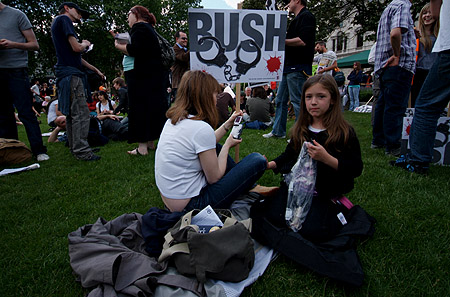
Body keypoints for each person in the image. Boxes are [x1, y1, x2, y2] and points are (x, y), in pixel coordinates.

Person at [155, 70, 268, 212]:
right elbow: (214, 178)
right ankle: (247, 185)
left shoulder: (174, 121)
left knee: (216, 146)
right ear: (205, 96)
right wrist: (228, 145)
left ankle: (246, 185)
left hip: (171, 200)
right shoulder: (200, 128)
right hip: (193, 205)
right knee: (257, 160)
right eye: (215, 94)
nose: (217, 99)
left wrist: (227, 124)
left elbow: (206, 143)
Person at [266, 74, 363, 239]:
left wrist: (326, 158)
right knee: (273, 216)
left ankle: (337, 208)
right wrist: (270, 164)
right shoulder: (301, 129)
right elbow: (290, 154)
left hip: (325, 193)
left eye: (321, 96)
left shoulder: (343, 133)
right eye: (309, 97)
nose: (314, 102)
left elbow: (355, 167)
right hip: (299, 189)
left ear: (332, 99)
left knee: (313, 231)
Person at [391, 0, 449, 174]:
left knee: (426, 107)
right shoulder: (420, 39)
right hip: (422, 72)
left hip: (446, 52)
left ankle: (418, 160)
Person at [51, 2, 104, 161]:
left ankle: (77, 148)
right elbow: (76, 48)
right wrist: (85, 44)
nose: (80, 16)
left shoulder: (57, 23)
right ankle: (82, 151)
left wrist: (94, 69)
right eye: (79, 12)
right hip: (71, 76)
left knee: (73, 115)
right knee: (81, 113)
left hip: (65, 74)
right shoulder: (64, 20)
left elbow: (75, 57)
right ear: (67, 8)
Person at [114, 5, 168, 155]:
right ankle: (150, 142)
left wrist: (118, 45)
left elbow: (135, 50)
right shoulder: (148, 29)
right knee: (150, 108)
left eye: (129, 14)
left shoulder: (139, 28)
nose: (128, 18)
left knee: (139, 108)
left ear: (136, 14)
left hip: (140, 76)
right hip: (151, 76)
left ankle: (142, 147)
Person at [0, 2, 49, 161]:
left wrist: (11, 44)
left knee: (26, 111)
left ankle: (39, 150)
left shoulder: (17, 15)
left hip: (17, 70)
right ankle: (12, 151)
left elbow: (34, 45)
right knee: (4, 115)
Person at [263, 0, 316, 138]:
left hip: (298, 67)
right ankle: (278, 131)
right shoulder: (297, 19)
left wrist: (280, 41)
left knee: (297, 101)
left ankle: (302, 135)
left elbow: (302, 40)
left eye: (290, 1)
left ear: (298, 1)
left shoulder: (307, 17)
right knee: (280, 100)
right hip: (288, 67)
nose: (287, 4)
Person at [371, 0, 416, 157]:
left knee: (383, 104)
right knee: (395, 107)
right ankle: (393, 145)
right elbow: (395, 33)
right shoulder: (403, 6)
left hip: (383, 65)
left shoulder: (389, 8)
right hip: (399, 64)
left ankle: (378, 140)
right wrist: (397, 54)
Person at [410, 3, 440, 107]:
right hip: (418, 74)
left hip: (435, 74)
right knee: (416, 104)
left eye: (430, 12)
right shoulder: (414, 34)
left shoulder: (439, 35)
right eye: (424, 13)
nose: (427, 15)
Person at [170, 31, 190, 102]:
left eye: (186, 39)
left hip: (184, 82)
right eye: (183, 38)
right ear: (177, 39)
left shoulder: (184, 50)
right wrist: (194, 49)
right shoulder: (174, 49)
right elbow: (183, 58)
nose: (185, 40)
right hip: (178, 83)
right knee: (179, 104)